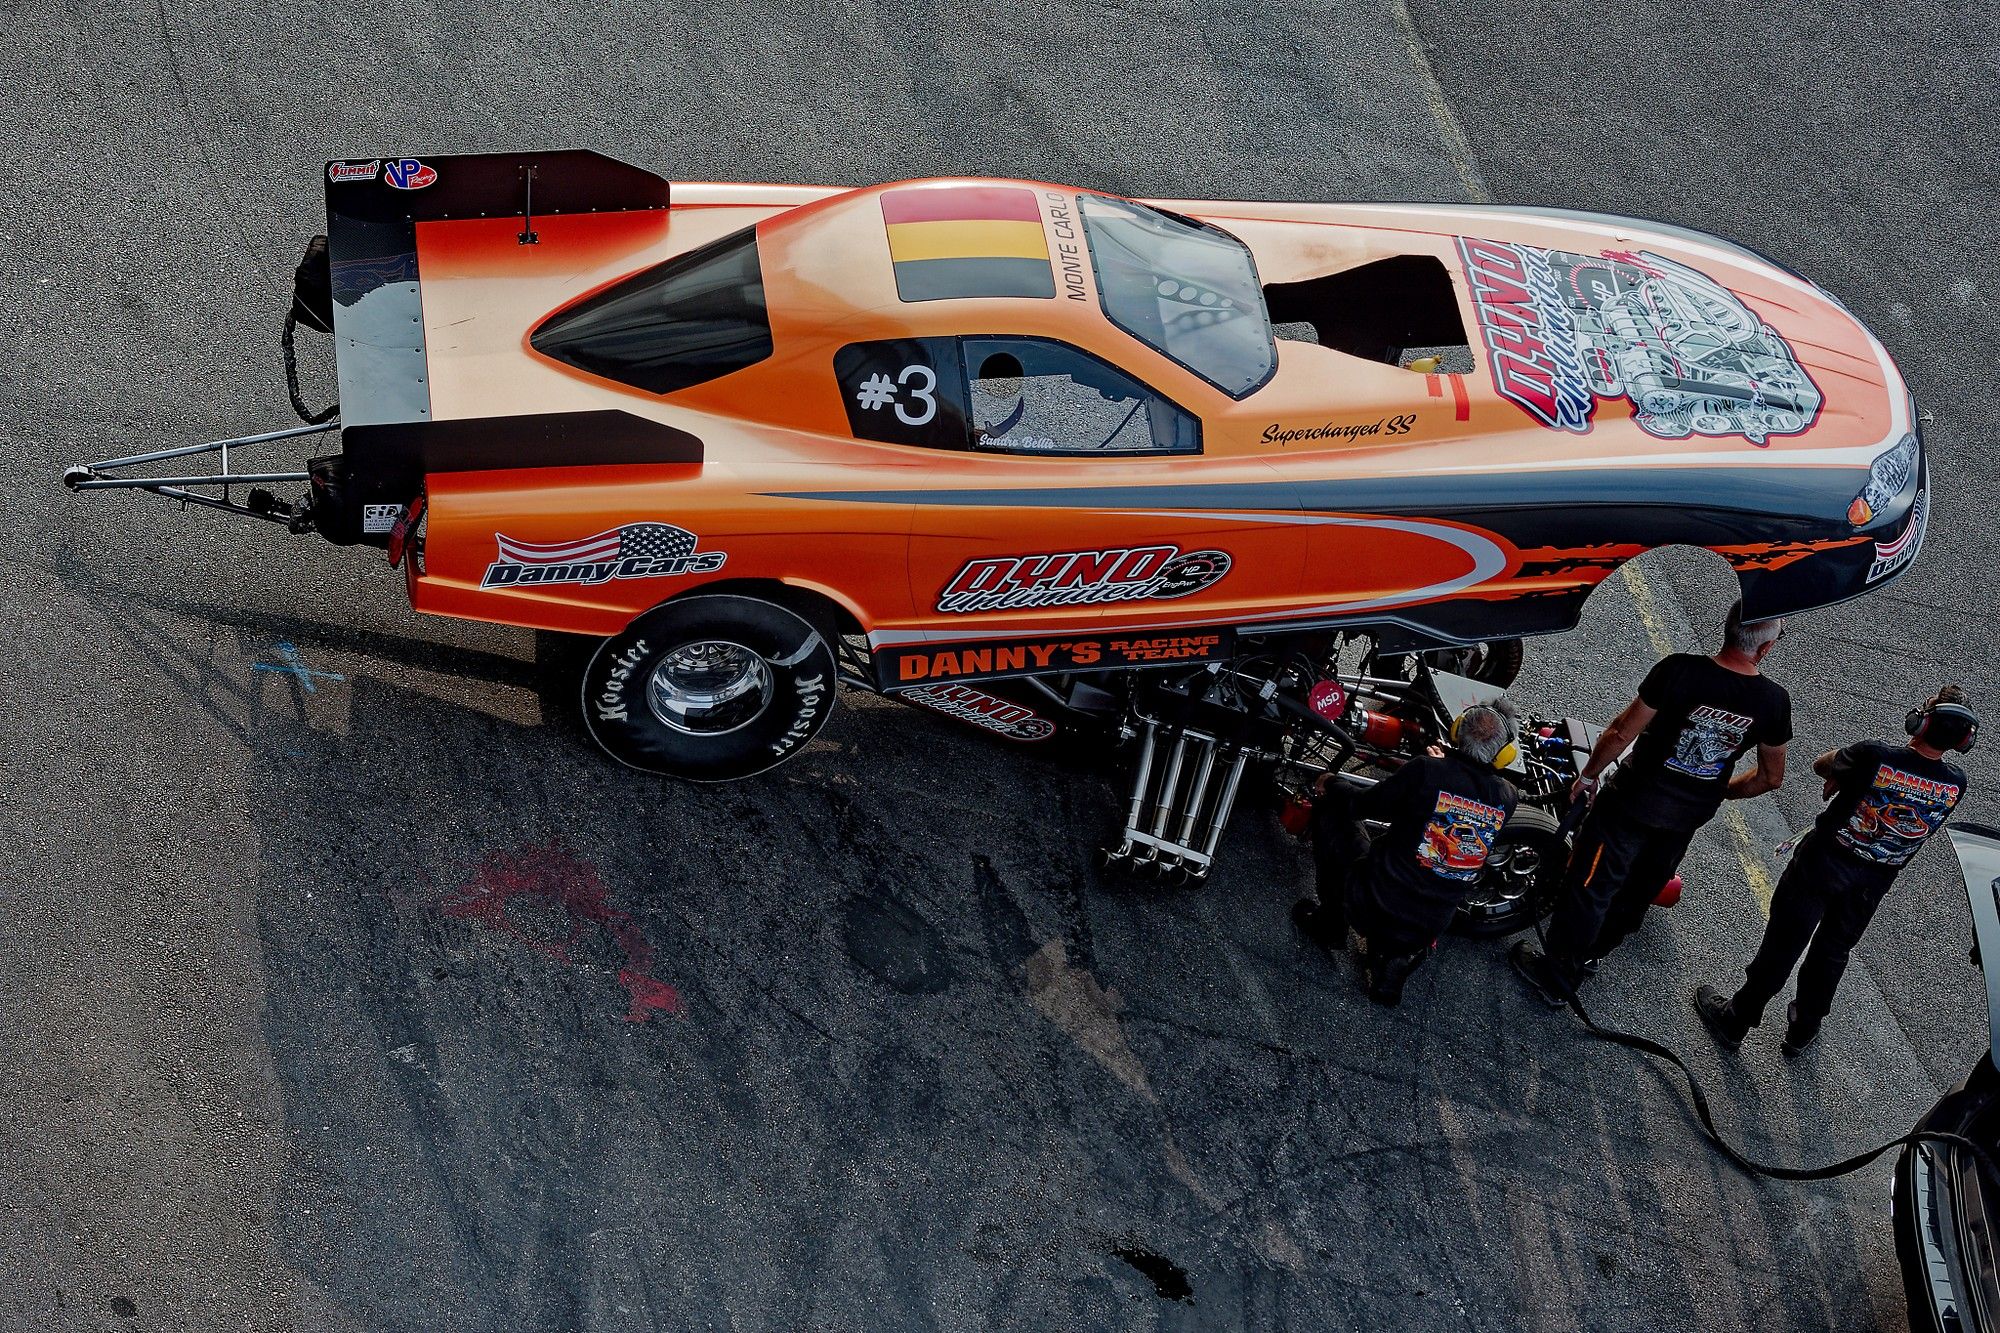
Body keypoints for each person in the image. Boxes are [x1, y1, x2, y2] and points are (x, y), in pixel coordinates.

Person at [1513, 602, 1792, 1007]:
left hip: (1630, 804)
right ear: (1764, 649)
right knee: (1639, 889)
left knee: (1591, 887)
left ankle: (1557, 976)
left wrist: (1588, 775)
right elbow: (1770, 777)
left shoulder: (1679, 669)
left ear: (1728, 629)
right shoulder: (1774, 702)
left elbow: (1622, 731)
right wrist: (1720, 790)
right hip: (1686, 818)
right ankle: (1592, 953)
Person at [1694, 687, 1975, 1056]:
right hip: (1874, 881)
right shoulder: (1956, 783)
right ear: (1962, 740)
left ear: (1920, 723)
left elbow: (1822, 764)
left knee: (1785, 941)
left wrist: (1844, 776)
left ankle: (1737, 1017)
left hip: (1822, 863)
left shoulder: (1875, 755)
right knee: (1833, 951)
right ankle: (1804, 1027)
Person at [1293, 701, 1520, 1004]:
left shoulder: (1426, 771)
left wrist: (1333, 783)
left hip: (1376, 902)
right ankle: (1392, 962)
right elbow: (1460, 796)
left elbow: (1362, 805)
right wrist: (1442, 770)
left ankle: (1331, 924)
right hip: (1429, 926)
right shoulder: (1507, 797)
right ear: (1504, 754)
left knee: (1335, 812)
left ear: (1457, 731)